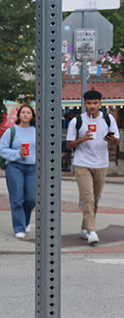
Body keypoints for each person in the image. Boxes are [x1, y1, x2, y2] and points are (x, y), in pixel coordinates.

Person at [66, 89, 119, 245]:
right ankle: (92, 231)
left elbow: (117, 141)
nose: (92, 106)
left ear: (100, 103)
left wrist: (112, 139)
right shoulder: (77, 121)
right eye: (89, 103)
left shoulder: (108, 119)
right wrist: (82, 139)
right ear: (84, 104)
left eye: (95, 103)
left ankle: (85, 228)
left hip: (102, 163)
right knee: (87, 198)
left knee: (95, 199)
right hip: (82, 163)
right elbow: (69, 144)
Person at [0, 104, 36, 239]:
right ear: (19, 115)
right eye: (23, 112)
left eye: (28, 112)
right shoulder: (11, 131)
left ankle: (25, 221)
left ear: (32, 116)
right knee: (17, 199)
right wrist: (18, 153)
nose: (25, 114)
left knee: (32, 199)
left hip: (32, 168)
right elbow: (2, 150)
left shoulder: (37, 131)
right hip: (15, 167)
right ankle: (19, 228)